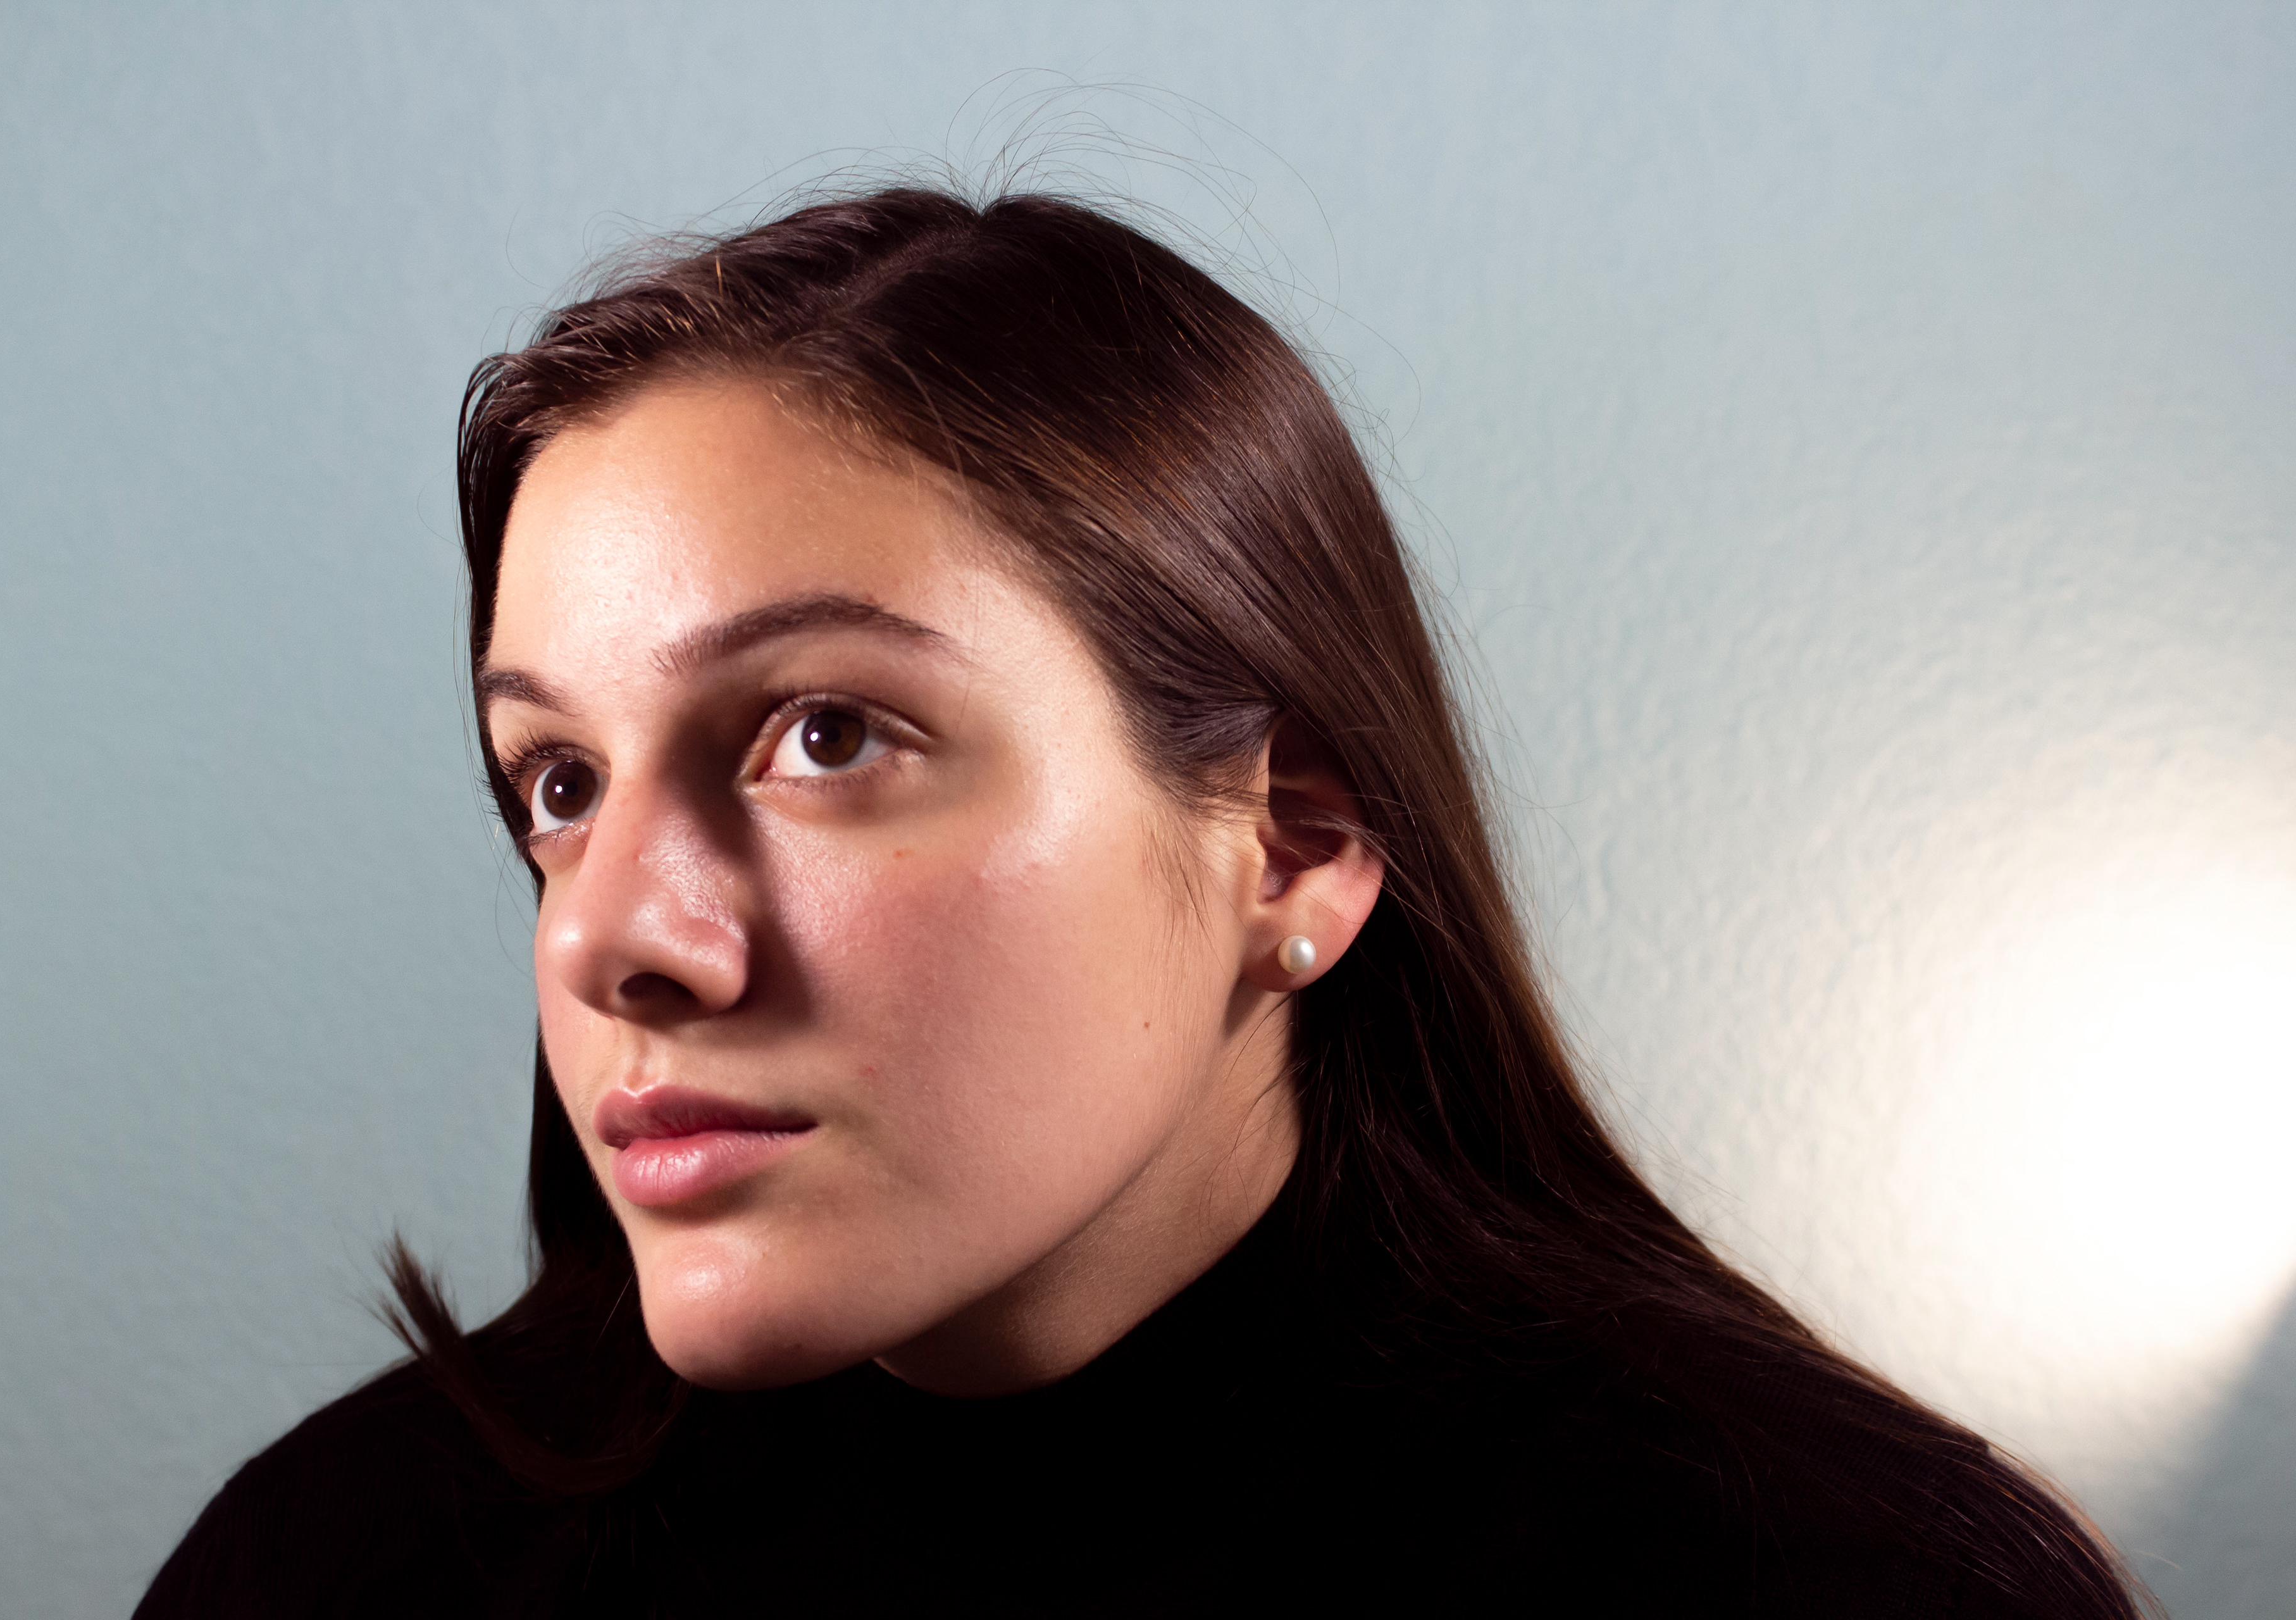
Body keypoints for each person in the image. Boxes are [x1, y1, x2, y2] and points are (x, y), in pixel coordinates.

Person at [138, 187, 2142, 1617]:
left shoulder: (1841, 1580)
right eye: (559, 785)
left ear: (1294, 844)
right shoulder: (341, 1568)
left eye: (827, 735)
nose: (606, 940)